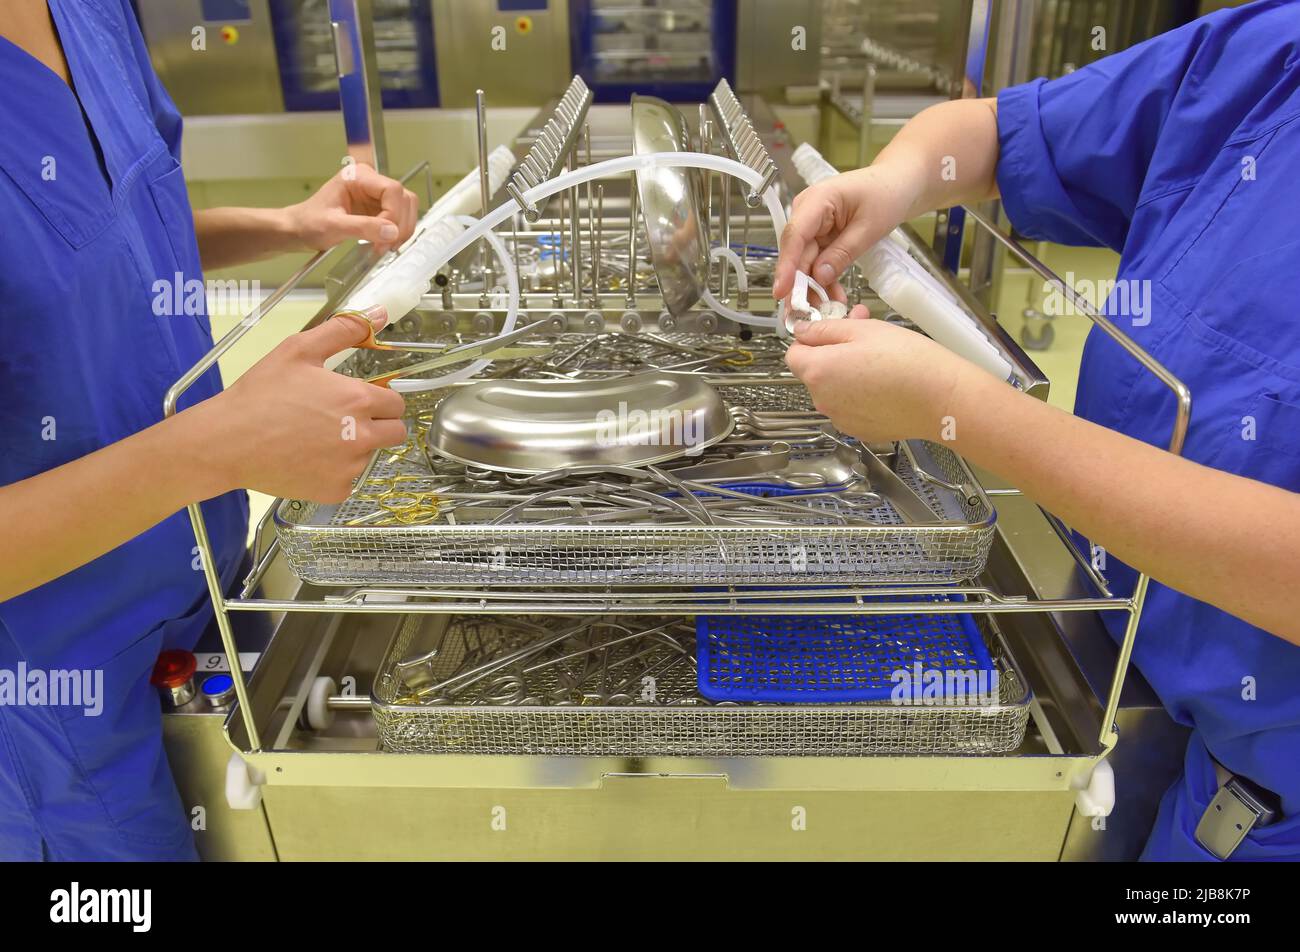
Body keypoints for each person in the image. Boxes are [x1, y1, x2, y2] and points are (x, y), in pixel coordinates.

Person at [775, 0, 1300, 861]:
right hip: (1171, 724)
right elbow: (999, 131)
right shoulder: (1271, 56)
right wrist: (887, 187)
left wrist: (960, 408)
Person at [0, 0, 417, 859]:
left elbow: (104, 240)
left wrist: (290, 227)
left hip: (202, 596)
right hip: (49, 724)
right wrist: (216, 445)